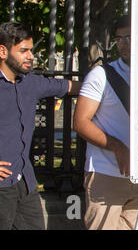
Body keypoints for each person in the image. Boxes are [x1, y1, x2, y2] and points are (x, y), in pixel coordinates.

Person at [73, 14, 138, 230]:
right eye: (119, 39)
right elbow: (81, 122)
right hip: (106, 174)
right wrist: (117, 147)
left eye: (129, 37)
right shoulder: (101, 75)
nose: (123, 44)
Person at [0, 21, 80, 230]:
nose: (31, 56)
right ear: (2, 51)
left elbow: (69, 86)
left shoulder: (31, 82)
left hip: (25, 181)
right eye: (23, 51)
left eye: (31, 50)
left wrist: (103, 83)